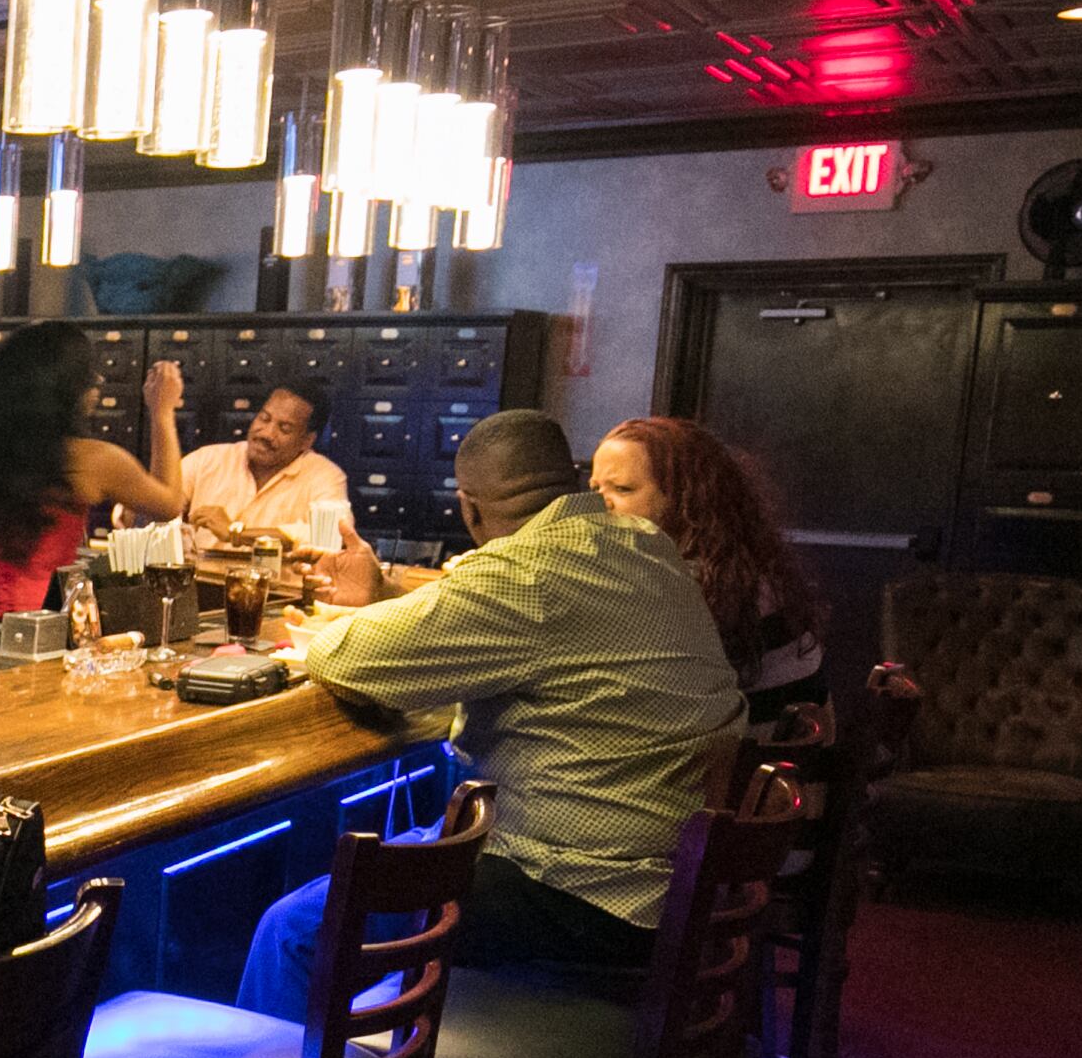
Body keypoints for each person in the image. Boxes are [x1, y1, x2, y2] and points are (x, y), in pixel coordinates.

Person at [240, 409, 742, 1017]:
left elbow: (350, 659)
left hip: (580, 896)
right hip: (670, 889)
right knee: (415, 854)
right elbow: (523, 633)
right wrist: (384, 602)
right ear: (575, 481)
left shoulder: (527, 569)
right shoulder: (643, 545)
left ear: (469, 508)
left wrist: (326, 631)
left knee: (293, 931)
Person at [0, 320, 188, 659]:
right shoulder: (93, 460)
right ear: (67, 390)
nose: (97, 384)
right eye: (88, 376)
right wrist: (162, 412)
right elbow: (170, 503)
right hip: (42, 632)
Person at [592, 416, 827, 721]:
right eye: (594, 487)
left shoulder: (683, 587)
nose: (596, 504)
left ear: (685, 500)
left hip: (734, 761)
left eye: (622, 489)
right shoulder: (753, 571)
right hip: (777, 760)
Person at [147, 368, 352, 549]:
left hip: (279, 589)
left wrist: (237, 533)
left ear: (307, 440)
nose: (266, 433)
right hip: (201, 583)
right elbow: (155, 503)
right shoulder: (208, 459)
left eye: (284, 428)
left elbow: (335, 535)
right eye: (264, 418)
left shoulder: (325, 476)